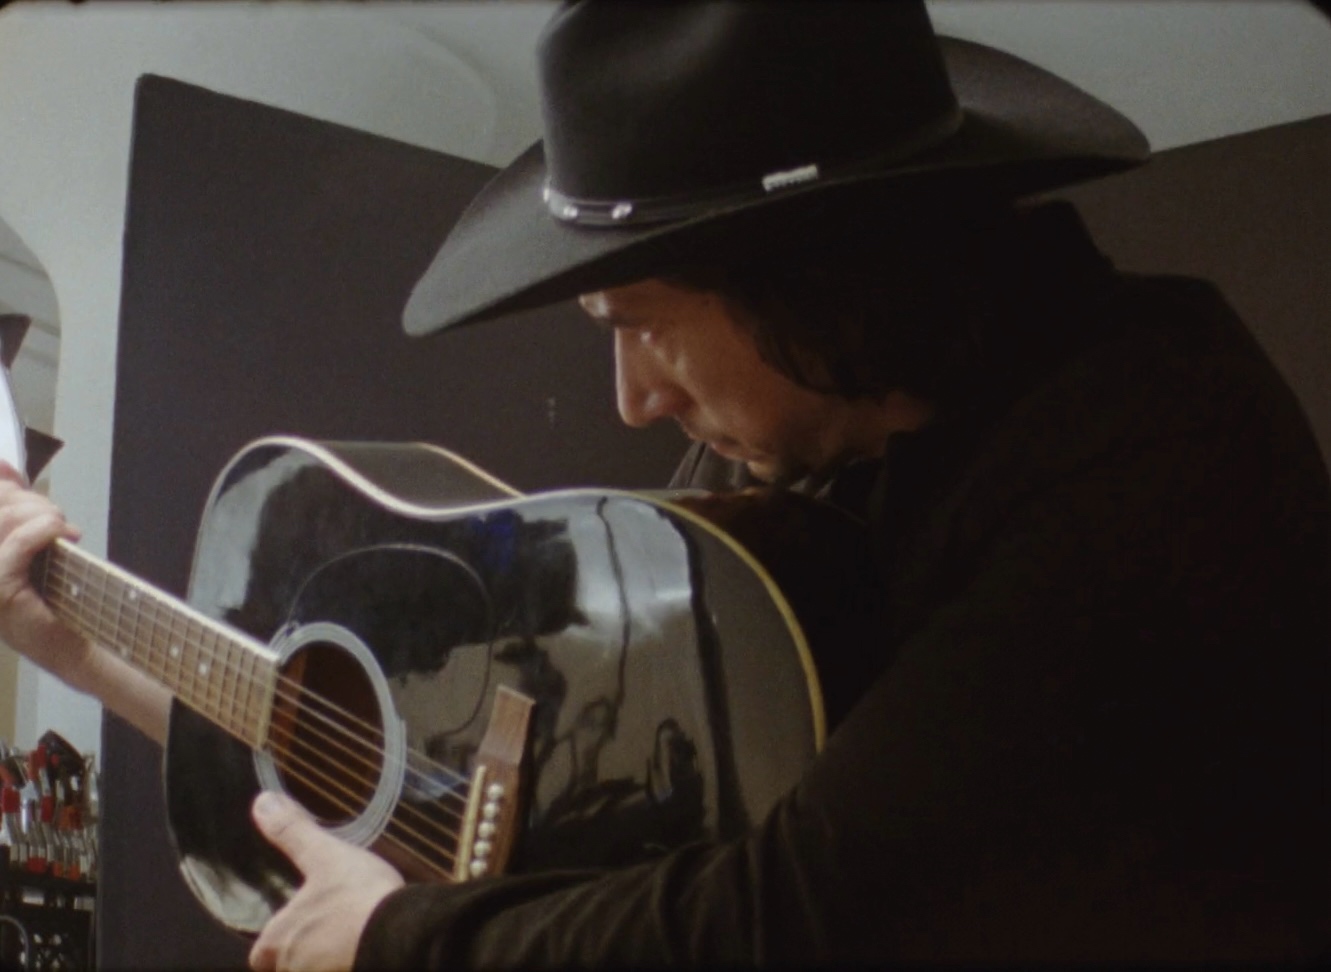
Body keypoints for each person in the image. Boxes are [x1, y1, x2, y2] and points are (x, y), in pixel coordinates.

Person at [0, 2, 1327, 968]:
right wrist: (75, 646)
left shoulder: (1152, 458)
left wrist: (405, 943)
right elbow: (477, 813)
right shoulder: (824, 455)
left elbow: (804, 913)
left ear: (820, 279)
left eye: (642, 323)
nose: (635, 401)